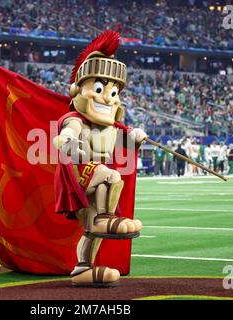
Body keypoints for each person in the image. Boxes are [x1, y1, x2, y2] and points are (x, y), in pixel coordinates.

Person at [53, 31, 144, 287]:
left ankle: (83, 269)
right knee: (113, 176)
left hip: (96, 174)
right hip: (83, 172)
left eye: (114, 92)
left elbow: (122, 145)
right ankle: (108, 216)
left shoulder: (112, 127)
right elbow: (66, 133)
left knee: (92, 229)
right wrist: (65, 140)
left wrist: (134, 138)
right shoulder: (76, 120)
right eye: (101, 89)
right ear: (77, 89)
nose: (107, 97)